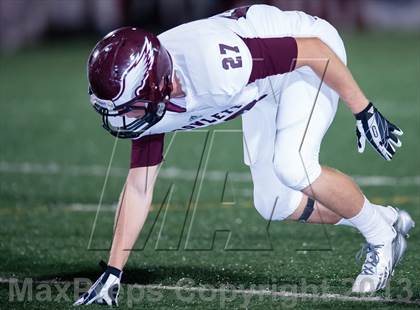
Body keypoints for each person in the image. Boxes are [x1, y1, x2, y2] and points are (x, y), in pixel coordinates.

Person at [74, 5, 415, 306]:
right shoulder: (157, 91)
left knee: (293, 165)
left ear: (157, 86)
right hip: (261, 83)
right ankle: (383, 218)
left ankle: (382, 238)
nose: (122, 118)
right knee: (275, 202)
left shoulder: (212, 64)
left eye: (127, 108)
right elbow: (139, 188)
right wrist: (114, 272)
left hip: (306, 54)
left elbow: (313, 51)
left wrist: (363, 109)